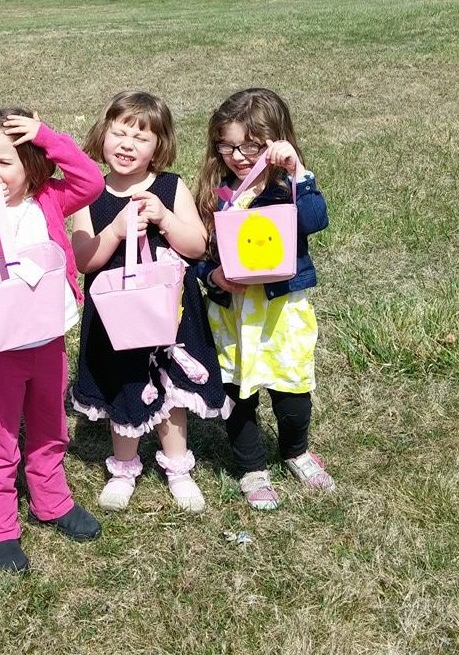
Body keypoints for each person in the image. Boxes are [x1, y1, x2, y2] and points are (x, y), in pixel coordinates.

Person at [0, 108, 104, 573]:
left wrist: (46, 135)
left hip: (48, 335)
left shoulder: (50, 198)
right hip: (1, 345)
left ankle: (51, 501)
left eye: (3, 162)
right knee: (0, 437)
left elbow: (90, 181)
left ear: (31, 162)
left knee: (51, 424)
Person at [70, 91, 226, 514]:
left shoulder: (170, 187)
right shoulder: (89, 194)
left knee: (172, 389)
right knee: (126, 384)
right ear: (102, 135)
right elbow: (84, 259)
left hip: (170, 311)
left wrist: (164, 218)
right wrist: (117, 230)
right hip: (116, 318)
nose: (126, 145)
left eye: (140, 138)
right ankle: (124, 467)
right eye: (119, 133)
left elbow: (197, 246)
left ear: (160, 146)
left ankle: (178, 467)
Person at [195, 87, 336, 510]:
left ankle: (296, 451)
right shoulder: (214, 191)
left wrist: (298, 172)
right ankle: (251, 467)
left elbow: (314, 220)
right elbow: (196, 256)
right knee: (238, 394)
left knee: (293, 392)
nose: (237, 155)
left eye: (250, 146)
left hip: (281, 312)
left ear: (276, 140)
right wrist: (214, 276)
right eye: (227, 145)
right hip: (232, 312)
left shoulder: (284, 188)